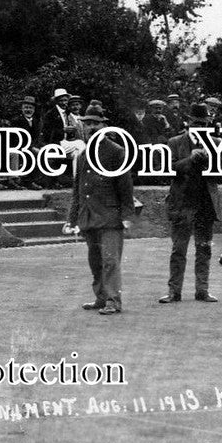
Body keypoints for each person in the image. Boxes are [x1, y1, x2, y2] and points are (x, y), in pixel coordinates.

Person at [66, 105, 134, 315]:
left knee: (110, 260)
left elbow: (125, 186)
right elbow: (78, 190)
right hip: (89, 216)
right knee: (95, 261)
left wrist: (127, 216)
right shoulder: (82, 156)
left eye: (95, 123)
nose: (91, 128)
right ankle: (101, 297)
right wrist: (72, 218)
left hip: (110, 217)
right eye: (87, 124)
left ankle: (114, 300)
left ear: (104, 126)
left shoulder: (116, 151)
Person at [160, 103, 219, 304]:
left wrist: (212, 158)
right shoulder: (175, 142)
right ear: (188, 122)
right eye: (196, 123)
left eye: (204, 124)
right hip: (182, 203)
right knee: (179, 249)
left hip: (204, 203)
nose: (200, 127)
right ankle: (174, 291)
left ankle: (202, 290)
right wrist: (190, 160)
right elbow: (169, 168)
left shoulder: (216, 142)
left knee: (204, 248)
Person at [9, 95, 45, 190]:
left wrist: (40, 146)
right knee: (33, 154)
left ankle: (37, 179)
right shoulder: (16, 121)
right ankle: (28, 181)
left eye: (30, 108)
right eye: (26, 107)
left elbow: (37, 138)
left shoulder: (36, 121)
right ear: (22, 108)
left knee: (43, 152)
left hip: (31, 146)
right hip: (18, 146)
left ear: (34, 109)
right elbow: (15, 138)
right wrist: (30, 147)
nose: (28, 110)